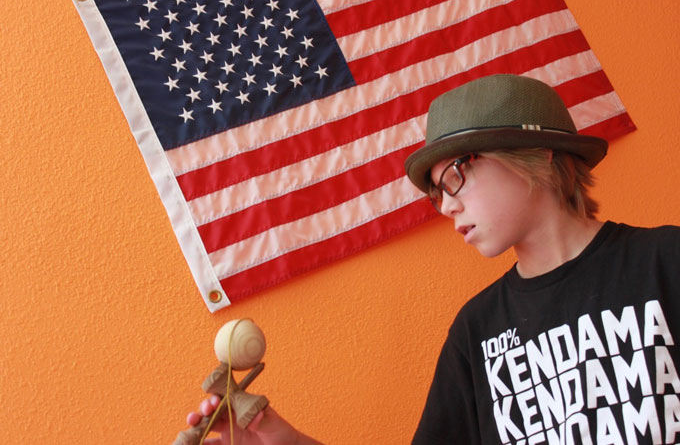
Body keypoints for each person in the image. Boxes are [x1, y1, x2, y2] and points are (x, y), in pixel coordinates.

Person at [185, 74, 680, 444]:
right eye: (436, 193)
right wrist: (285, 440)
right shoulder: (477, 330)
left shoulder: (665, 262)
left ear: (538, 153)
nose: (446, 207)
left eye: (455, 176)